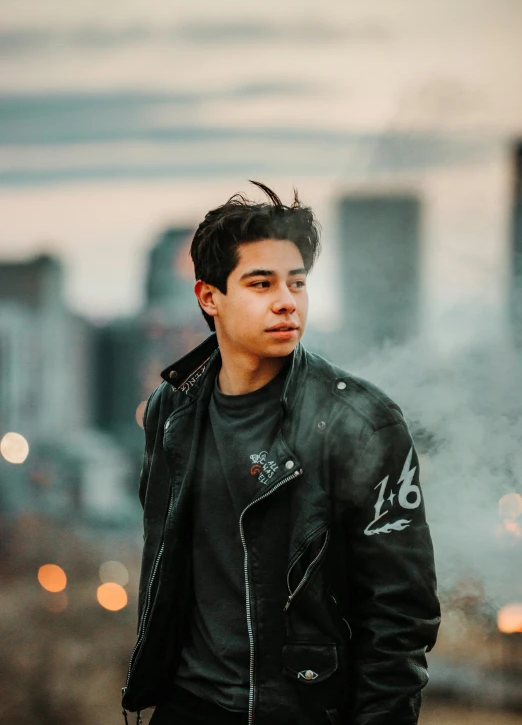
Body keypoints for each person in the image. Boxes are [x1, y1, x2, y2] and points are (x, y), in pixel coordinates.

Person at [122, 181, 440, 725]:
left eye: (297, 282)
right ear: (209, 297)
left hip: (303, 708)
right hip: (187, 707)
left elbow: (400, 617)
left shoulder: (362, 423)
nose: (286, 300)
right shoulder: (170, 412)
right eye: (261, 282)